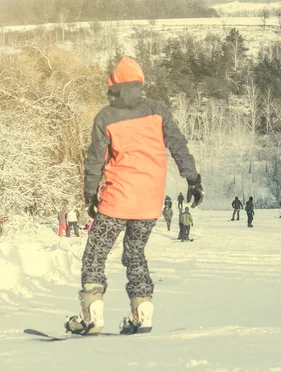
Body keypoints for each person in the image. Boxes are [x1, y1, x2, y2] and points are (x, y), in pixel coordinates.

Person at [65, 56, 204, 336]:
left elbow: (95, 159)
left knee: (95, 255)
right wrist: (193, 178)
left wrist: (90, 195)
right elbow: (178, 144)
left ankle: (92, 315)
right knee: (135, 254)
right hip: (149, 202)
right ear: (140, 83)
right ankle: (142, 312)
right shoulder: (158, 111)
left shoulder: (106, 116)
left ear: (113, 86)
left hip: (117, 200)